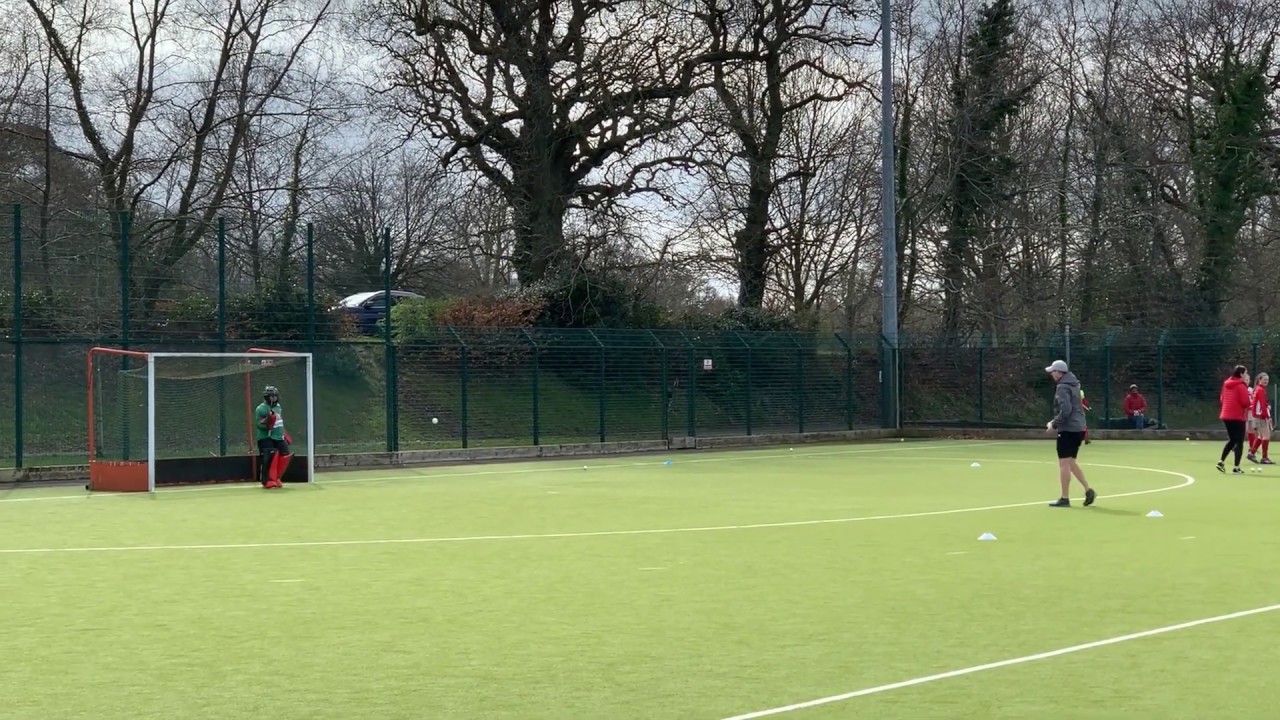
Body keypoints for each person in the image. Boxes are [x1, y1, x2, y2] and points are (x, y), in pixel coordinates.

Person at [1044, 360, 1096, 507]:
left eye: (1053, 371)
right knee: (1071, 462)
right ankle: (1088, 489)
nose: (1052, 374)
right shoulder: (1075, 385)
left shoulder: (1062, 387)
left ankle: (1064, 498)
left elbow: (1066, 410)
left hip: (1068, 429)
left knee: (1064, 463)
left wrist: (1053, 424)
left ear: (1059, 373)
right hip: (1078, 428)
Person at [255, 385, 293, 489]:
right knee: (269, 458)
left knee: (285, 455)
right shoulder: (261, 409)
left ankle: (277, 478)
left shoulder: (278, 407)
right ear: (267, 397)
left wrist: (284, 434)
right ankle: (268, 480)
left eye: (275, 396)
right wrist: (268, 424)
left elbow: (279, 422)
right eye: (272, 397)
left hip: (279, 437)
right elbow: (258, 425)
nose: (274, 399)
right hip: (266, 437)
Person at [1218, 365, 1251, 475]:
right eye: (1245, 373)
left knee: (1232, 440)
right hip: (1238, 416)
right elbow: (1245, 402)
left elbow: (1222, 399)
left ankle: (1221, 461)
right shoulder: (1242, 386)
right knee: (1239, 442)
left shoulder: (1226, 384)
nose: (1246, 375)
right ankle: (1236, 467)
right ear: (1241, 374)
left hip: (1226, 415)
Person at [1248, 372, 1272, 464]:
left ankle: (1252, 453)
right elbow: (1262, 404)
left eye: (1267, 380)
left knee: (1261, 436)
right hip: (1260, 416)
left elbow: (1262, 403)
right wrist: (1267, 416)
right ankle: (1264, 457)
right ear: (1259, 380)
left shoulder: (1258, 389)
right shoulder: (1261, 390)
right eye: (1264, 379)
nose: (1266, 381)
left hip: (1256, 416)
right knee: (1266, 436)